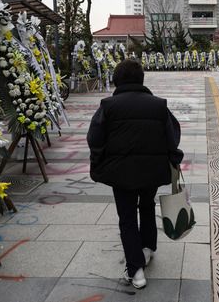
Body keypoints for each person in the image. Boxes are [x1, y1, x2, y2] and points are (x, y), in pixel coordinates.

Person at [87, 59, 182, 289]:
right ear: (141, 79)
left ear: (117, 80)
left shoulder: (108, 106)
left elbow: (94, 138)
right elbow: (173, 136)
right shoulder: (158, 105)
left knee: (127, 217)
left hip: (121, 173)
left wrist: (99, 161)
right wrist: (173, 158)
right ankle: (147, 248)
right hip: (151, 171)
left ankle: (136, 270)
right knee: (147, 206)